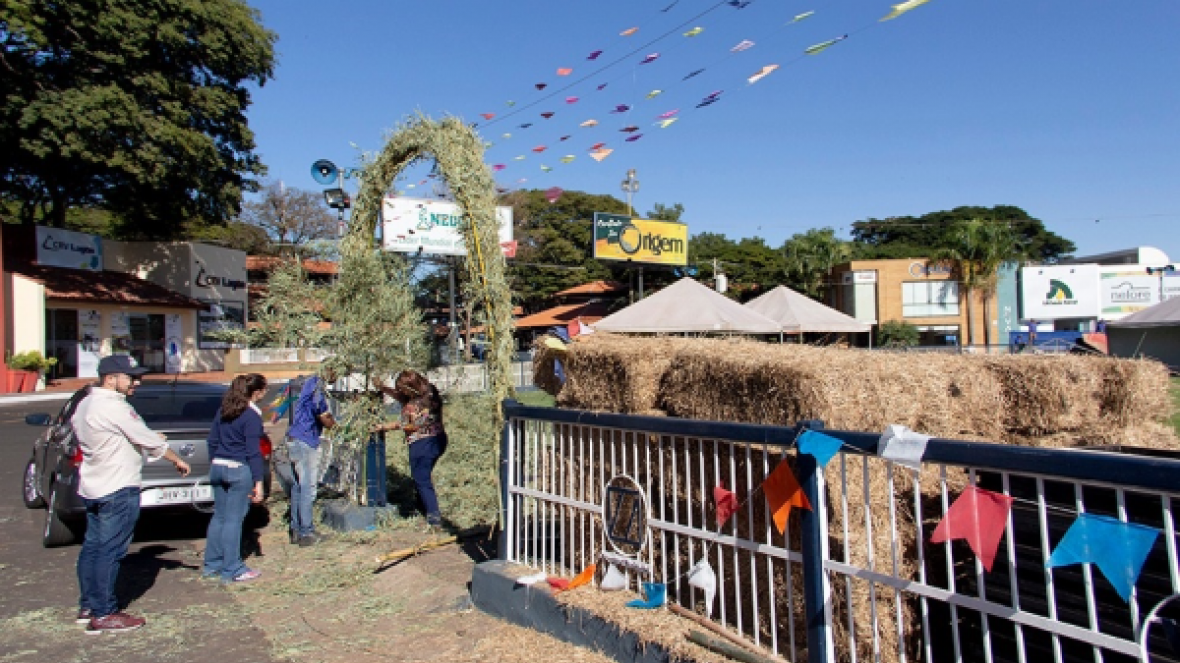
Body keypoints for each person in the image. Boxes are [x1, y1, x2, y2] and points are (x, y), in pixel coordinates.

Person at [73, 355, 191, 634]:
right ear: (111, 378)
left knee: (93, 547)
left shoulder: (85, 404)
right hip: (117, 485)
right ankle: (104, 612)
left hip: (94, 483)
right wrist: (176, 459)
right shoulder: (114, 406)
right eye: (130, 378)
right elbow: (146, 439)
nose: (135, 382)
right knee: (110, 550)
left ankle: (89, 604)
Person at [203, 373, 268, 583]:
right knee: (234, 519)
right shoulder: (251, 416)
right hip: (239, 469)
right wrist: (258, 482)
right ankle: (232, 568)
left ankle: (212, 564)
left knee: (219, 517)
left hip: (218, 467)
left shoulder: (224, 411)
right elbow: (253, 451)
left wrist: (215, 461)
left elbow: (212, 440)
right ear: (256, 393)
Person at [374, 370, 447, 527]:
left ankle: (434, 517)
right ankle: (422, 506)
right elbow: (402, 397)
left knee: (421, 478)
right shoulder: (429, 392)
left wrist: (383, 427)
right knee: (423, 476)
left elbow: (409, 425)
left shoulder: (415, 406)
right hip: (439, 439)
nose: (401, 392)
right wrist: (384, 389)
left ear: (411, 388)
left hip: (422, 444)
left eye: (403, 389)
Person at [278, 369, 336, 546]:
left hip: (294, 439)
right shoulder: (317, 389)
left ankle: (296, 529)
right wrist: (338, 427)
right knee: (308, 488)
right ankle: (307, 532)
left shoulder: (308, 384)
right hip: (305, 442)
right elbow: (324, 416)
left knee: (297, 487)